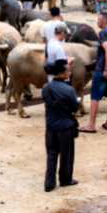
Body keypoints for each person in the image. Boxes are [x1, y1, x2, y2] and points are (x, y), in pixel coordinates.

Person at [42, 58, 79, 192]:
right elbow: (75, 108)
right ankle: (65, 179)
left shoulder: (45, 88)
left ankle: (49, 183)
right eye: (68, 71)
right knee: (66, 154)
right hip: (65, 127)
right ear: (61, 74)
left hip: (50, 127)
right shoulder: (69, 90)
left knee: (51, 154)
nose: (70, 73)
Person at [78, 11, 107, 133]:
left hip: (102, 70)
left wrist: (105, 68)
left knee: (95, 96)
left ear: (105, 21)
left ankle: (91, 125)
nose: (97, 21)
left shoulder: (103, 32)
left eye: (99, 19)